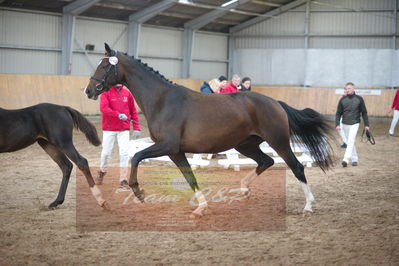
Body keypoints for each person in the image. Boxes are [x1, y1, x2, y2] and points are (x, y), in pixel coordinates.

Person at [97, 84, 141, 187]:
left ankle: (123, 179)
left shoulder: (127, 93)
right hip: (109, 129)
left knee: (124, 153)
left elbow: (133, 111)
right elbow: (103, 108)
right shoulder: (105, 92)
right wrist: (117, 114)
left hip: (124, 129)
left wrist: (136, 127)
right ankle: (102, 171)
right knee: (106, 153)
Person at [335, 82, 370, 167]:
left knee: (350, 141)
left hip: (355, 123)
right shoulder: (342, 100)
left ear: (353, 89)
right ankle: (354, 159)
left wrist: (366, 125)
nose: (347, 90)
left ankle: (346, 159)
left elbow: (364, 112)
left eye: (349, 88)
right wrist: (337, 124)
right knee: (350, 141)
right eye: (346, 89)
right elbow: (338, 113)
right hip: (345, 124)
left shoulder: (359, 99)